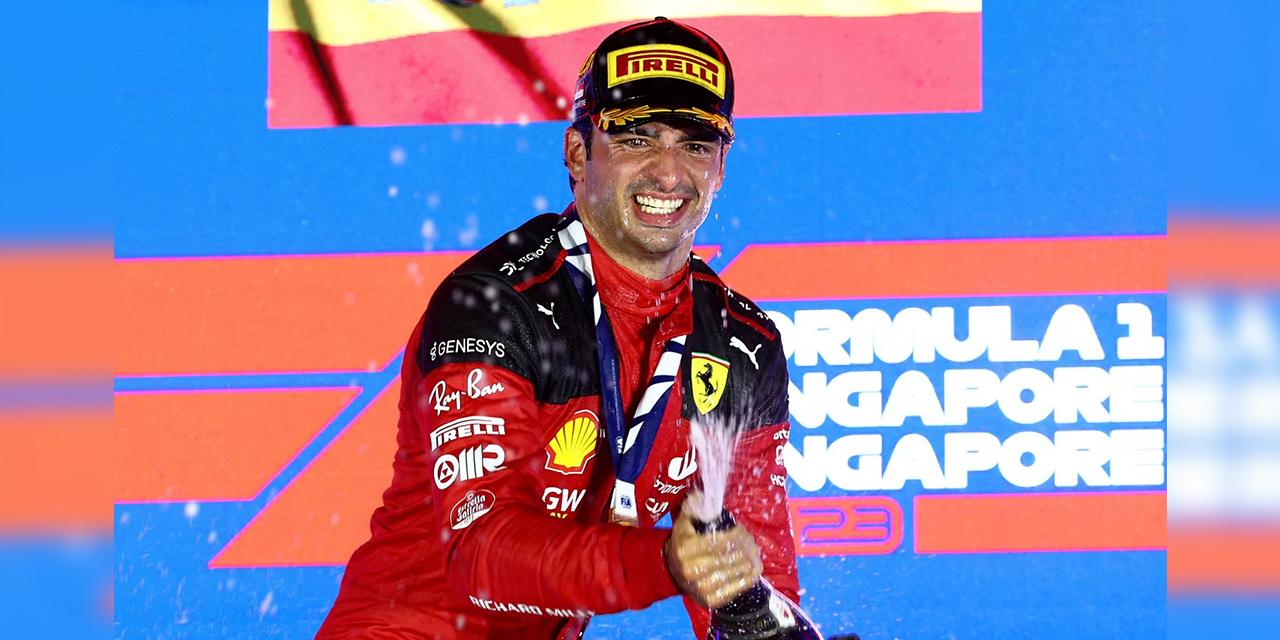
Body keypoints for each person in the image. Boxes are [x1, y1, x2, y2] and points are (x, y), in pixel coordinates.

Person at [316, 18, 798, 640]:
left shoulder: (743, 345)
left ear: (722, 167)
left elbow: (754, 588)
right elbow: (481, 555)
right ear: (576, 153)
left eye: (696, 145)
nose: (669, 172)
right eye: (636, 139)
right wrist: (666, 562)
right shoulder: (493, 304)